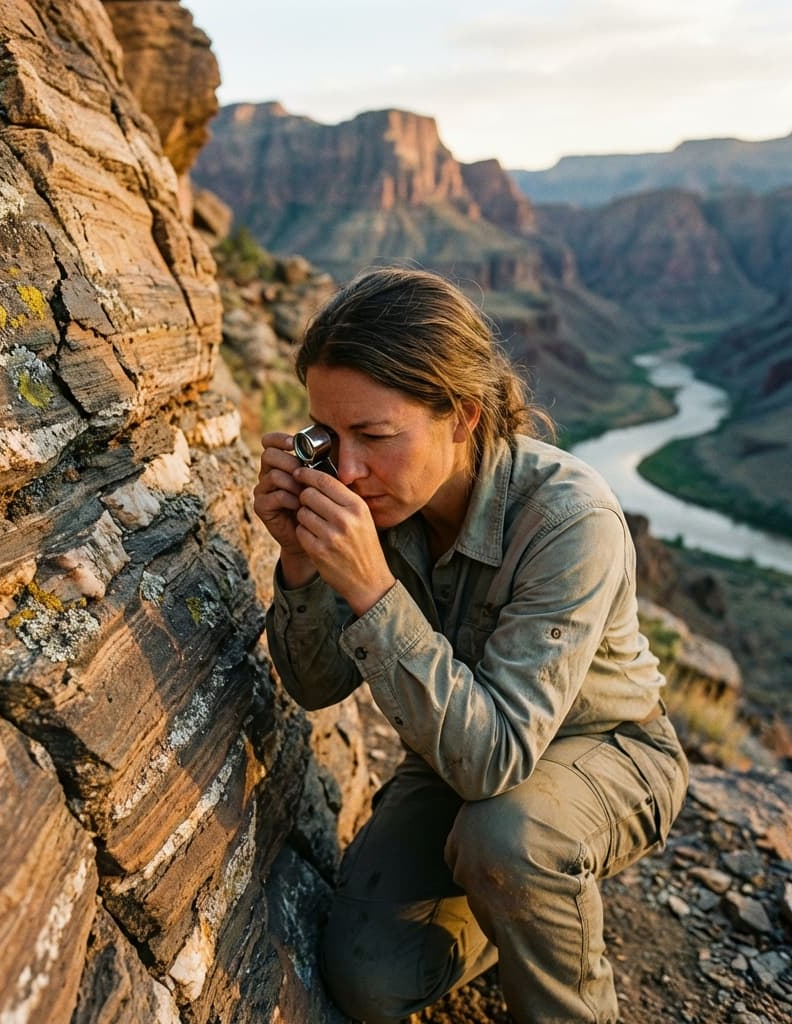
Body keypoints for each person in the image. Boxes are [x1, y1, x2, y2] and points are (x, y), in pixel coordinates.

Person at [253, 266, 689, 1024]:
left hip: (605, 751)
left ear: (461, 416)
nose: (347, 471)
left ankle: (547, 918)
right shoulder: (376, 499)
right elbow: (315, 686)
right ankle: (514, 908)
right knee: (369, 979)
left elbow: (496, 762)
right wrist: (299, 561)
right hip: (462, 750)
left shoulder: (568, 520)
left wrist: (371, 591)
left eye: (376, 436)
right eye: (330, 436)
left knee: (509, 838)